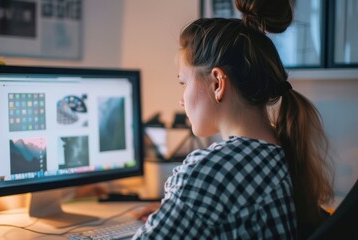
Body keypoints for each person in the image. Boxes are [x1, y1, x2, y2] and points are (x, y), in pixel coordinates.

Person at [132, 0, 333, 239]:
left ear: (217, 83)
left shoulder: (209, 171)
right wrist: (181, 208)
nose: (182, 100)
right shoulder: (280, 151)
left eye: (183, 83)